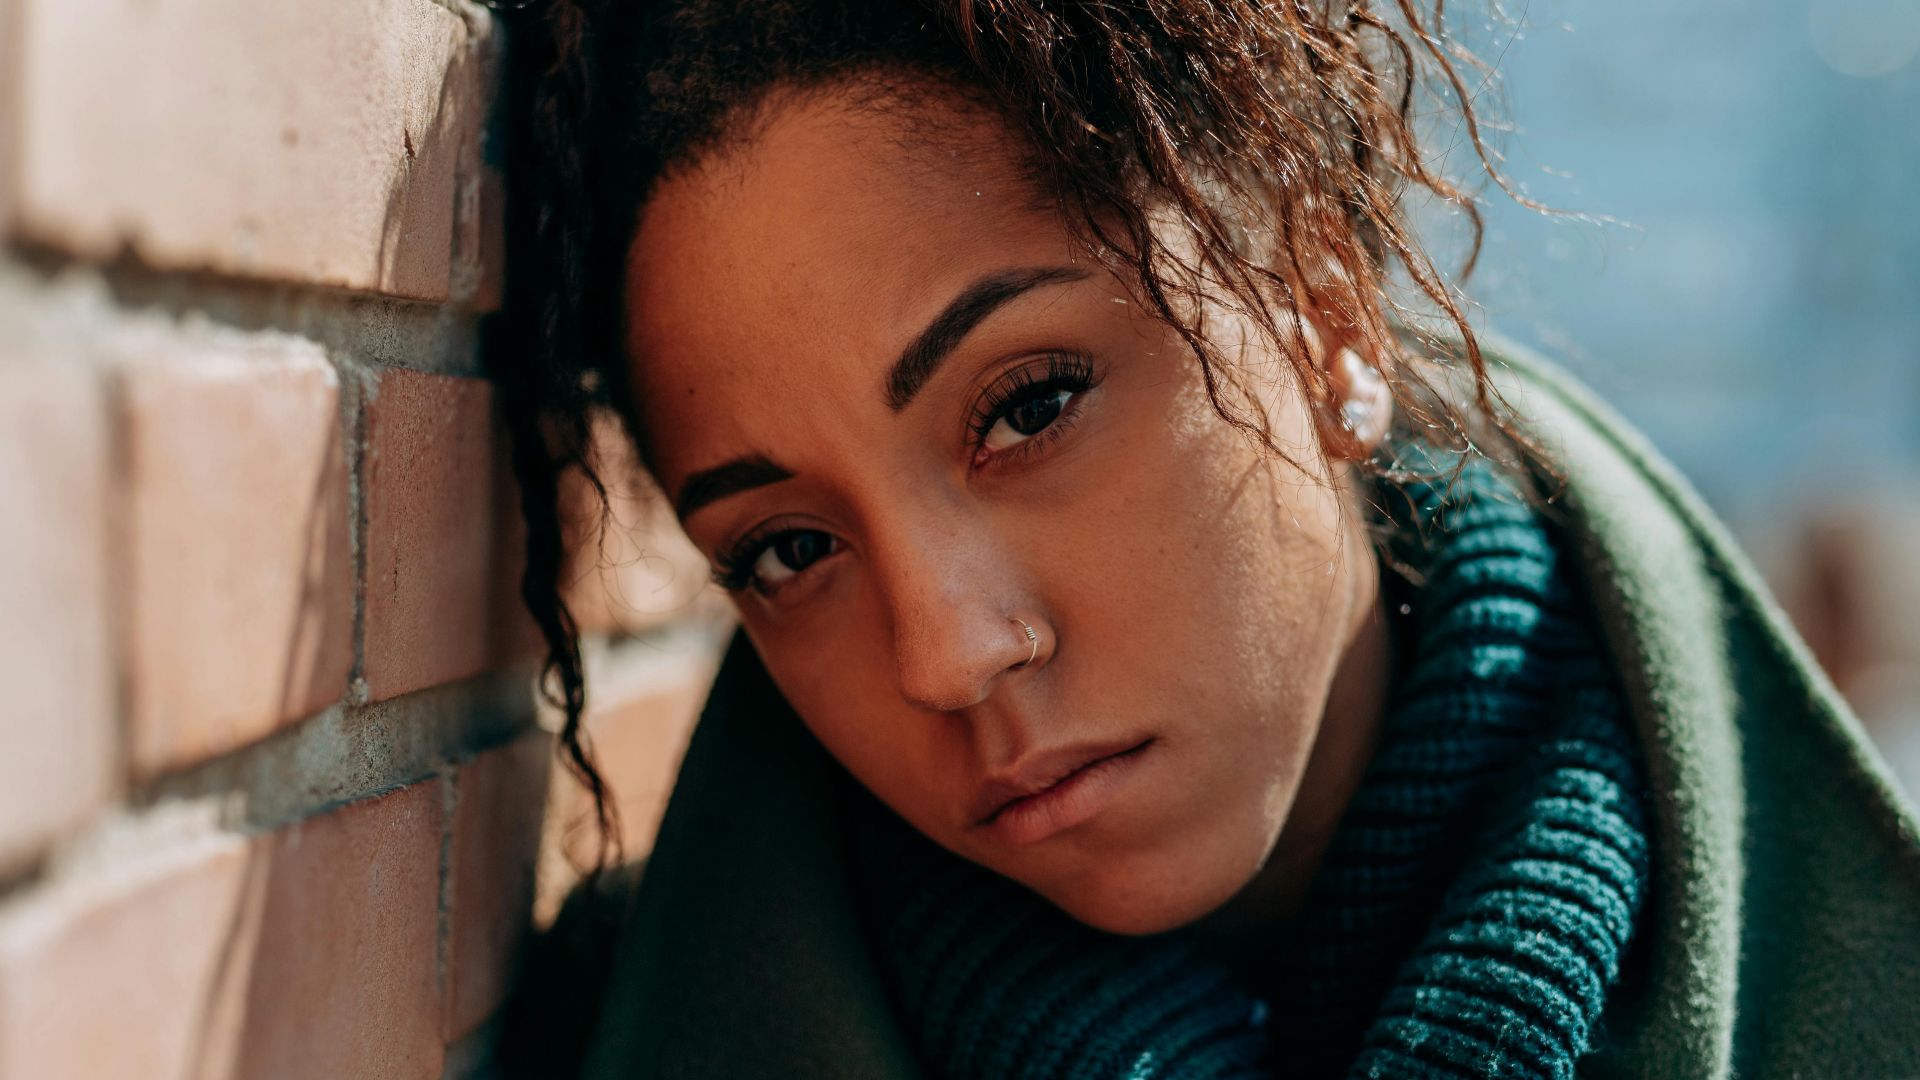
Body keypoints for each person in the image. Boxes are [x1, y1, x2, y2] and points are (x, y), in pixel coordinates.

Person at [485, 1, 1920, 1077]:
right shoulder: (607, 1031)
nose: (947, 652)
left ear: (1326, 310)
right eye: (788, 550)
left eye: (1031, 406)